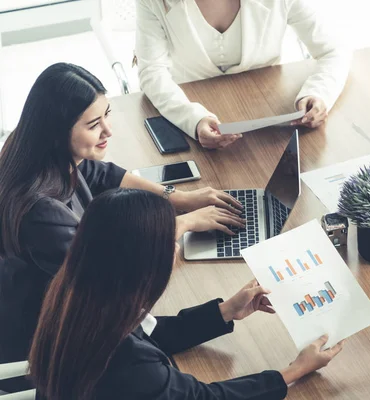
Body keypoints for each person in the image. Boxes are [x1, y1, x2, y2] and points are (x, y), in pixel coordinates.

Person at [0, 63, 245, 392]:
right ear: (57, 131)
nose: (108, 130)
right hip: (48, 348)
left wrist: (180, 197)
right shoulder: (41, 213)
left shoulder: (38, 154)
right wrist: (182, 223)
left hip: (71, 314)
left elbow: (103, 174)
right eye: (93, 124)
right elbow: (113, 271)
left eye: (107, 115)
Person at [28, 188, 343, 399]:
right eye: (171, 241)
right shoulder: (131, 365)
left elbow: (152, 332)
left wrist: (225, 311)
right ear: (145, 263)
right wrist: (295, 370)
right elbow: (206, 397)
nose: (176, 248)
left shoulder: (78, 296)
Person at [135, 0, 351, 148]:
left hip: (271, 124)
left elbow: (334, 50)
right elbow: (152, 72)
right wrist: (193, 119)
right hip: (191, 122)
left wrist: (318, 93)